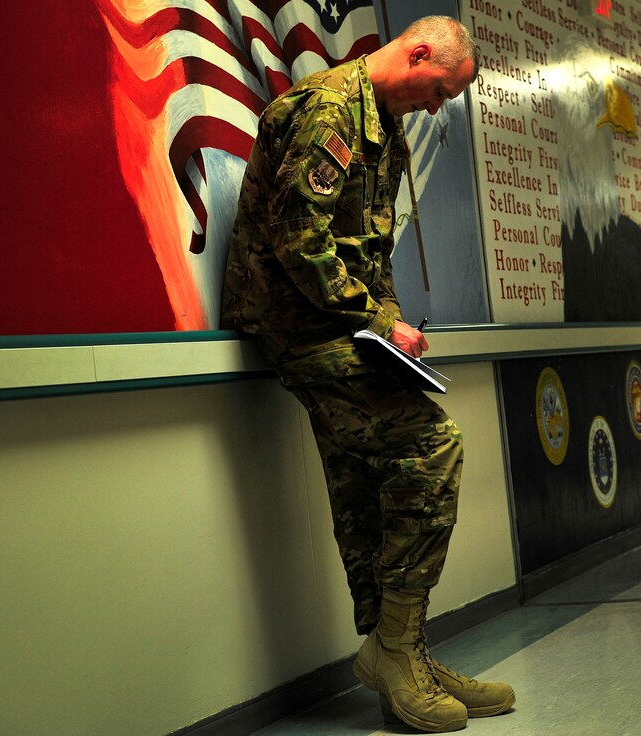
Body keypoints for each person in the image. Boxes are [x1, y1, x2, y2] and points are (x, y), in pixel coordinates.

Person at [220, 15, 514, 734]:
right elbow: (303, 241)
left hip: (338, 329)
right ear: (417, 54)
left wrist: (387, 327)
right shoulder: (332, 110)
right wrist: (382, 324)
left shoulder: (379, 119)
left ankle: (398, 651)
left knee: (364, 486)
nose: (438, 106)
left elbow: (361, 250)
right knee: (432, 446)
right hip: (302, 329)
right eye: (440, 89)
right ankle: (392, 647)